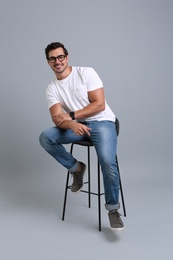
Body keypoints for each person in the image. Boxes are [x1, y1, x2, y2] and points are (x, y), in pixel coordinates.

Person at [39, 42, 124, 230]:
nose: (57, 61)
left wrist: (70, 116)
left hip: (103, 122)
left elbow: (99, 105)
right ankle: (77, 169)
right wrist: (71, 124)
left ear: (67, 57)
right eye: (52, 58)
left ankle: (112, 210)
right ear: (48, 62)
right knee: (46, 137)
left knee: (106, 161)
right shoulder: (51, 88)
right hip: (77, 125)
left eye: (60, 57)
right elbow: (56, 119)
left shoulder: (85, 73)